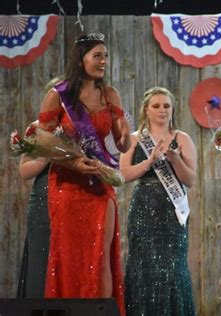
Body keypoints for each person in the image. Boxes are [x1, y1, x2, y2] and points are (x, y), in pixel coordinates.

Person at [37, 33, 130, 315]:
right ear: (81, 59)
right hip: (67, 184)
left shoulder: (110, 94)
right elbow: (42, 140)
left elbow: (122, 140)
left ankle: (99, 311)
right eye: (97, 56)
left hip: (99, 184)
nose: (103, 62)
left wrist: (125, 137)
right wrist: (74, 163)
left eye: (106, 56)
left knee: (100, 255)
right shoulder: (58, 95)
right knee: (68, 255)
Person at [120, 87, 197, 315]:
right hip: (144, 209)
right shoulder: (134, 139)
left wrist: (175, 160)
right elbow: (123, 175)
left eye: (166, 105)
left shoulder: (182, 138)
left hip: (172, 213)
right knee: (143, 267)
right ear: (146, 109)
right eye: (156, 105)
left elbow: (190, 180)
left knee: (173, 269)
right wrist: (150, 161)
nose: (162, 110)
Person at [16, 133, 50, 298]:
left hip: (76, 203)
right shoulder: (40, 129)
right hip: (44, 205)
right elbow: (24, 171)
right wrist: (49, 155)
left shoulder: (86, 125)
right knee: (40, 266)